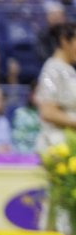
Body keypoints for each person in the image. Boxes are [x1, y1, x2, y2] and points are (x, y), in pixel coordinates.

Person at [35, 22, 76, 153]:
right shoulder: (52, 68)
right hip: (57, 146)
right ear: (64, 41)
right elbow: (47, 112)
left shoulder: (69, 70)